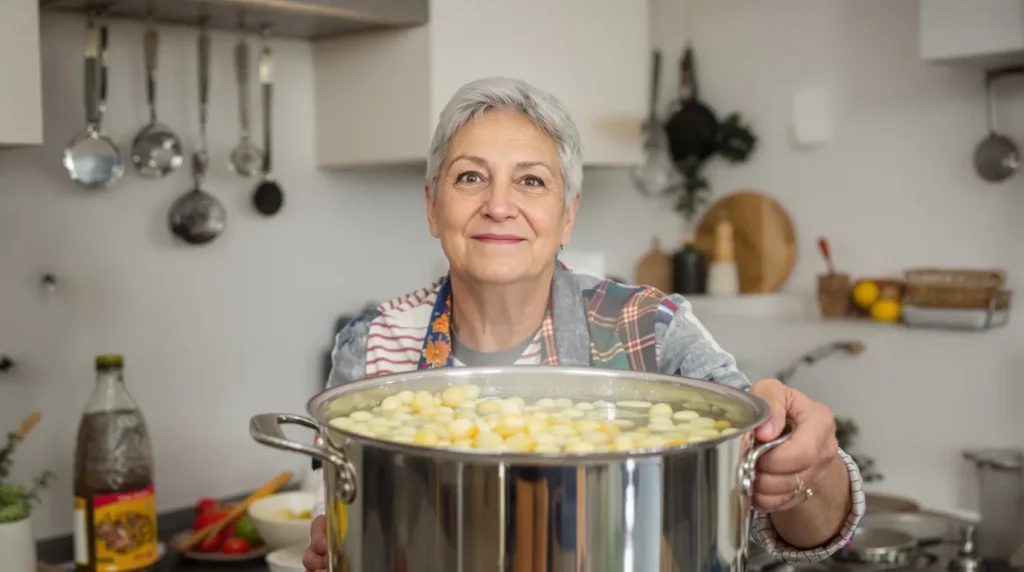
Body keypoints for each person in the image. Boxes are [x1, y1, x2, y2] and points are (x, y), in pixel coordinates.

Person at [302, 77, 865, 571]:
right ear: (432, 207)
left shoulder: (649, 329)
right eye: (471, 178)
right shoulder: (374, 349)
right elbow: (345, 529)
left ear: (567, 214)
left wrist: (807, 467)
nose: (499, 205)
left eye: (531, 182)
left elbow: (802, 530)